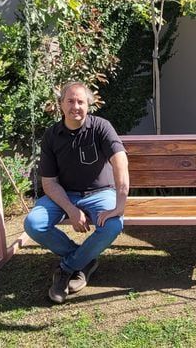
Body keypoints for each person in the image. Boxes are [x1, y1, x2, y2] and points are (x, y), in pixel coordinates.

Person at [23, 81, 129, 304]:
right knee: (34, 223)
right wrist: (71, 210)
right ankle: (85, 259)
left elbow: (120, 162)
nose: (76, 106)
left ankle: (67, 267)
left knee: (113, 224)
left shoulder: (101, 127)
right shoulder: (52, 136)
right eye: (70, 101)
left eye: (81, 101)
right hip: (65, 194)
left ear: (88, 105)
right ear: (61, 104)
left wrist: (119, 206)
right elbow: (49, 183)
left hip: (100, 193)